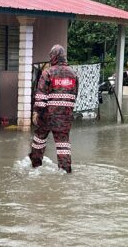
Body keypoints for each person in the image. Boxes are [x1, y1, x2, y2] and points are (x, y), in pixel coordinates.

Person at [29, 44, 78, 173]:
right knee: (63, 145)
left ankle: (35, 165)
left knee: (39, 140)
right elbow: (75, 95)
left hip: (47, 116)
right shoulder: (73, 74)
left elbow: (41, 95)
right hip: (65, 117)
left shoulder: (48, 72)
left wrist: (36, 112)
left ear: (54, 56)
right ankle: (65, 170)